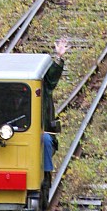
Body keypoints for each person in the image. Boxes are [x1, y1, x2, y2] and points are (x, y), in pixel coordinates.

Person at [42, 37, 68, 187]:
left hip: (41, 132)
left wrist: (58, 57)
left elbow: (51, 78)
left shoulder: (44, 88)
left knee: (45, 140)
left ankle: (46, 176)